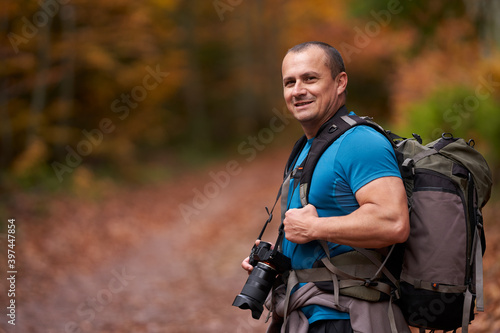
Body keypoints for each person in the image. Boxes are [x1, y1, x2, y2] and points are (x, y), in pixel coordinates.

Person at [241, 41, 410, 332]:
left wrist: (315, 229)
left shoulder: (360, 142)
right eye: (289, 82)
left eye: (310, 78)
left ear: (340, 82)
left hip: (349, 318)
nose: (298, 90)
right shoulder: (310, 147)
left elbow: (393, 223)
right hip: (309, 316)